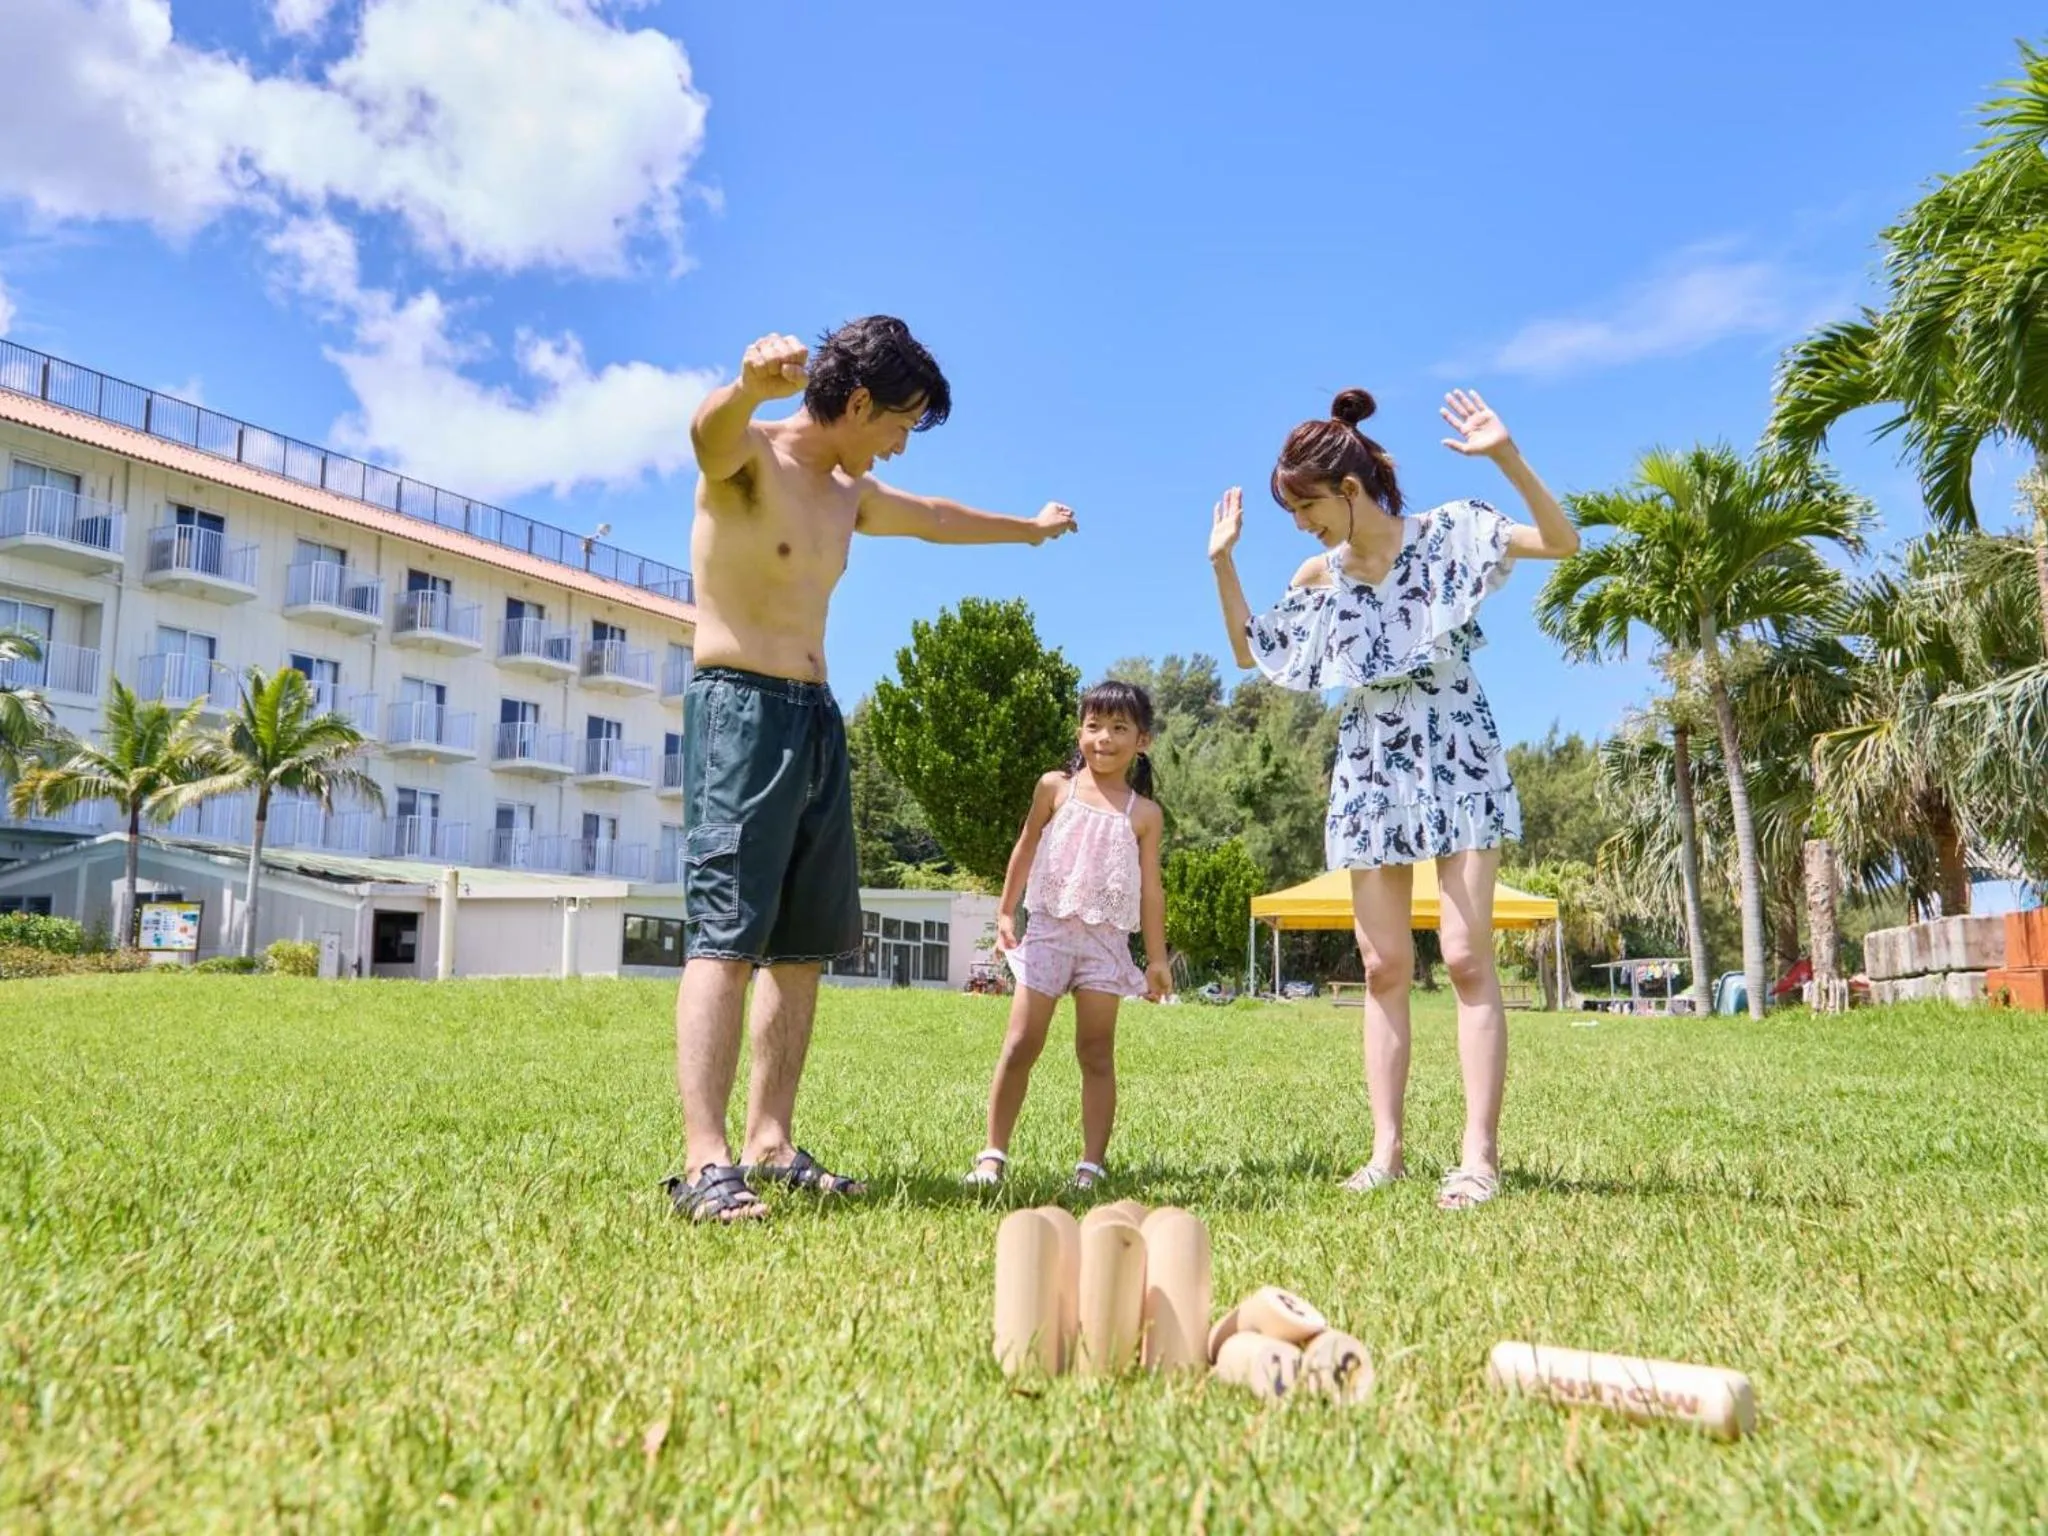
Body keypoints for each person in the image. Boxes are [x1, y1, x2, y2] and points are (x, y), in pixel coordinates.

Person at [667, 317, 1077, 1224]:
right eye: (899, 424)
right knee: (726, 939)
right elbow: (708, 434)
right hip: (739, 709)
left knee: (803, 947)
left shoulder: (848, 493)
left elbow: (934, 520)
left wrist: (1028, 532)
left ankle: (770, 1144)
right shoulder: (751, 460)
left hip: (815, 719)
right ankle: (706, 1162)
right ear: (858, 403)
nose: (899, 444)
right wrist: (743, 383)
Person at [1207, 388, 1578, 1210]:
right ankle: (1388, 1150)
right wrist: (1222, 561)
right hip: (1372, 761)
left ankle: (1479, 1157)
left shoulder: (1448, 535)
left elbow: (1563, 541)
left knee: (1468, 954)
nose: (1300, 525)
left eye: (1305, 506)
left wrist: (1507, 457)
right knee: (1382, 967)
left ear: (1347, 490)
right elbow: (1250, 653)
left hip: (1457, 747)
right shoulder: (1320, 574)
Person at [964, 680, 1171, 1192]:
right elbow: (1025, 846)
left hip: (1106, 946)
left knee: (1096, 1052)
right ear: (1079, 730)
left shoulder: (1143, 814)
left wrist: (1157, 959)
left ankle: (1090, 1166)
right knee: (1020, 1043)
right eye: (1093, 725)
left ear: (1141, 740)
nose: (1104, 738)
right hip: (1050, 935)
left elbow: (1150, 891)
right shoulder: (1055, 787)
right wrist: (1006, 912)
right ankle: (992, 1157)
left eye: (1119, 728)